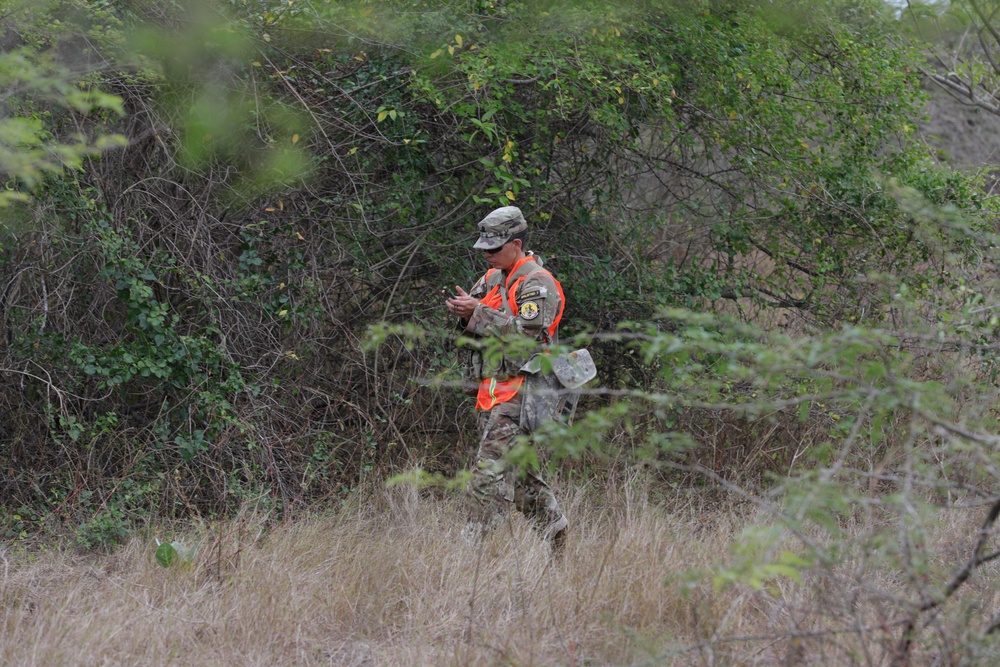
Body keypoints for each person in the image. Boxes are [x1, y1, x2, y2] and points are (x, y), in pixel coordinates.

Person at [445, 206, 569, 551]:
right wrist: (462, 314)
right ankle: (556, 534)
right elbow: (477, 326)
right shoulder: (492, 278)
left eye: (494, 248)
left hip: (524, 393)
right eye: (484, 248)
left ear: (516, 244)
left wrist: (477, 311)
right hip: (494, 391)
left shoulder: (538, 283)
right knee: (520, 481)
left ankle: (468, 556)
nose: (487, 254)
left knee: (487, 476)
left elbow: (526, 338)